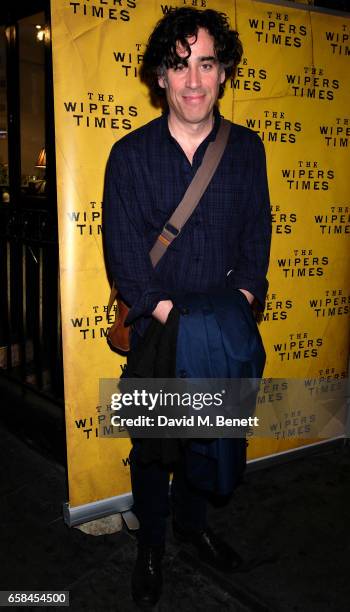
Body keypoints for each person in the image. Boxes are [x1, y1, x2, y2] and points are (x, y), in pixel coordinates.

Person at [104, 7, 271, 608]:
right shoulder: (128, 156)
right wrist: (176, 316)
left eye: (206, 63)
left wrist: (241, 302)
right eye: (179, 66)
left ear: (223, 71)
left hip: (222, 330)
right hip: (159, 330)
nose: (194, 80)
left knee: (209, 439)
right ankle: (151, 544)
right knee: (153, 450)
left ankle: (193, 527)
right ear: (159, 77)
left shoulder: (247, 150)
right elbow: (124, 256)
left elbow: (257, 241)